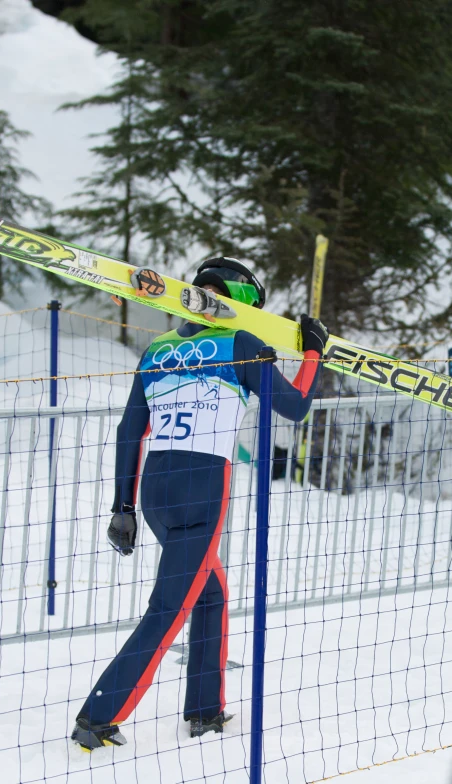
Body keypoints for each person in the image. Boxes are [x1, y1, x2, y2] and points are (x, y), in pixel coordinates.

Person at [71, 257, 329, 751]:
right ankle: (97, 717)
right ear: (241, 303)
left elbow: (130, 430)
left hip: (155, 492)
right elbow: (295, 406)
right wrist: (314, 351)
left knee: (208, 595)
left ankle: (205, 710)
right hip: (202, 487)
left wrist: (121, 507)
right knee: (169, 608)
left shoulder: (159, 348)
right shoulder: (240, 344)